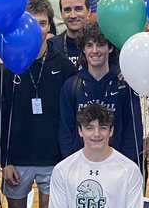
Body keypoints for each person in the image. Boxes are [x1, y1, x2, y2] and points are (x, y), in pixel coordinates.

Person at [0, 0, 77, 208]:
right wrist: (5, 160)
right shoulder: (7, 69)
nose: (36, 29)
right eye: (30, 23)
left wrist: (67, 157)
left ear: (49, 27)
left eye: (41, 23)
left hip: (54, 158)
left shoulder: (64, 67)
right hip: (18, 158)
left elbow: (71, 117)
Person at [49, 102, 144, 208]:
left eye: (103, 128)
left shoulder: (130, 170)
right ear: (80, 131)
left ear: (111, 131)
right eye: (89, 128)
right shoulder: (62, 169)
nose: (97, 134)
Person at [58, 22, 143, 165]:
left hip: (117, 165)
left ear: (110, 48)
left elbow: (133, 129)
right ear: (83, 49)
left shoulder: (124, 84)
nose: (95, 50)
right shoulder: (71, 86)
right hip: (81, 165)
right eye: (89, 45)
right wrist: (72, 163)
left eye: (100, 45)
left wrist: (123, 163)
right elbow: (65, 130)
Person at [49, 0, 92, 69]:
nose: (73, 15)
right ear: (61, 14)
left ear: (89, 11)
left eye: (78, 9)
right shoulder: (51, 46)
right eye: (67, 10)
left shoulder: (101, 46)